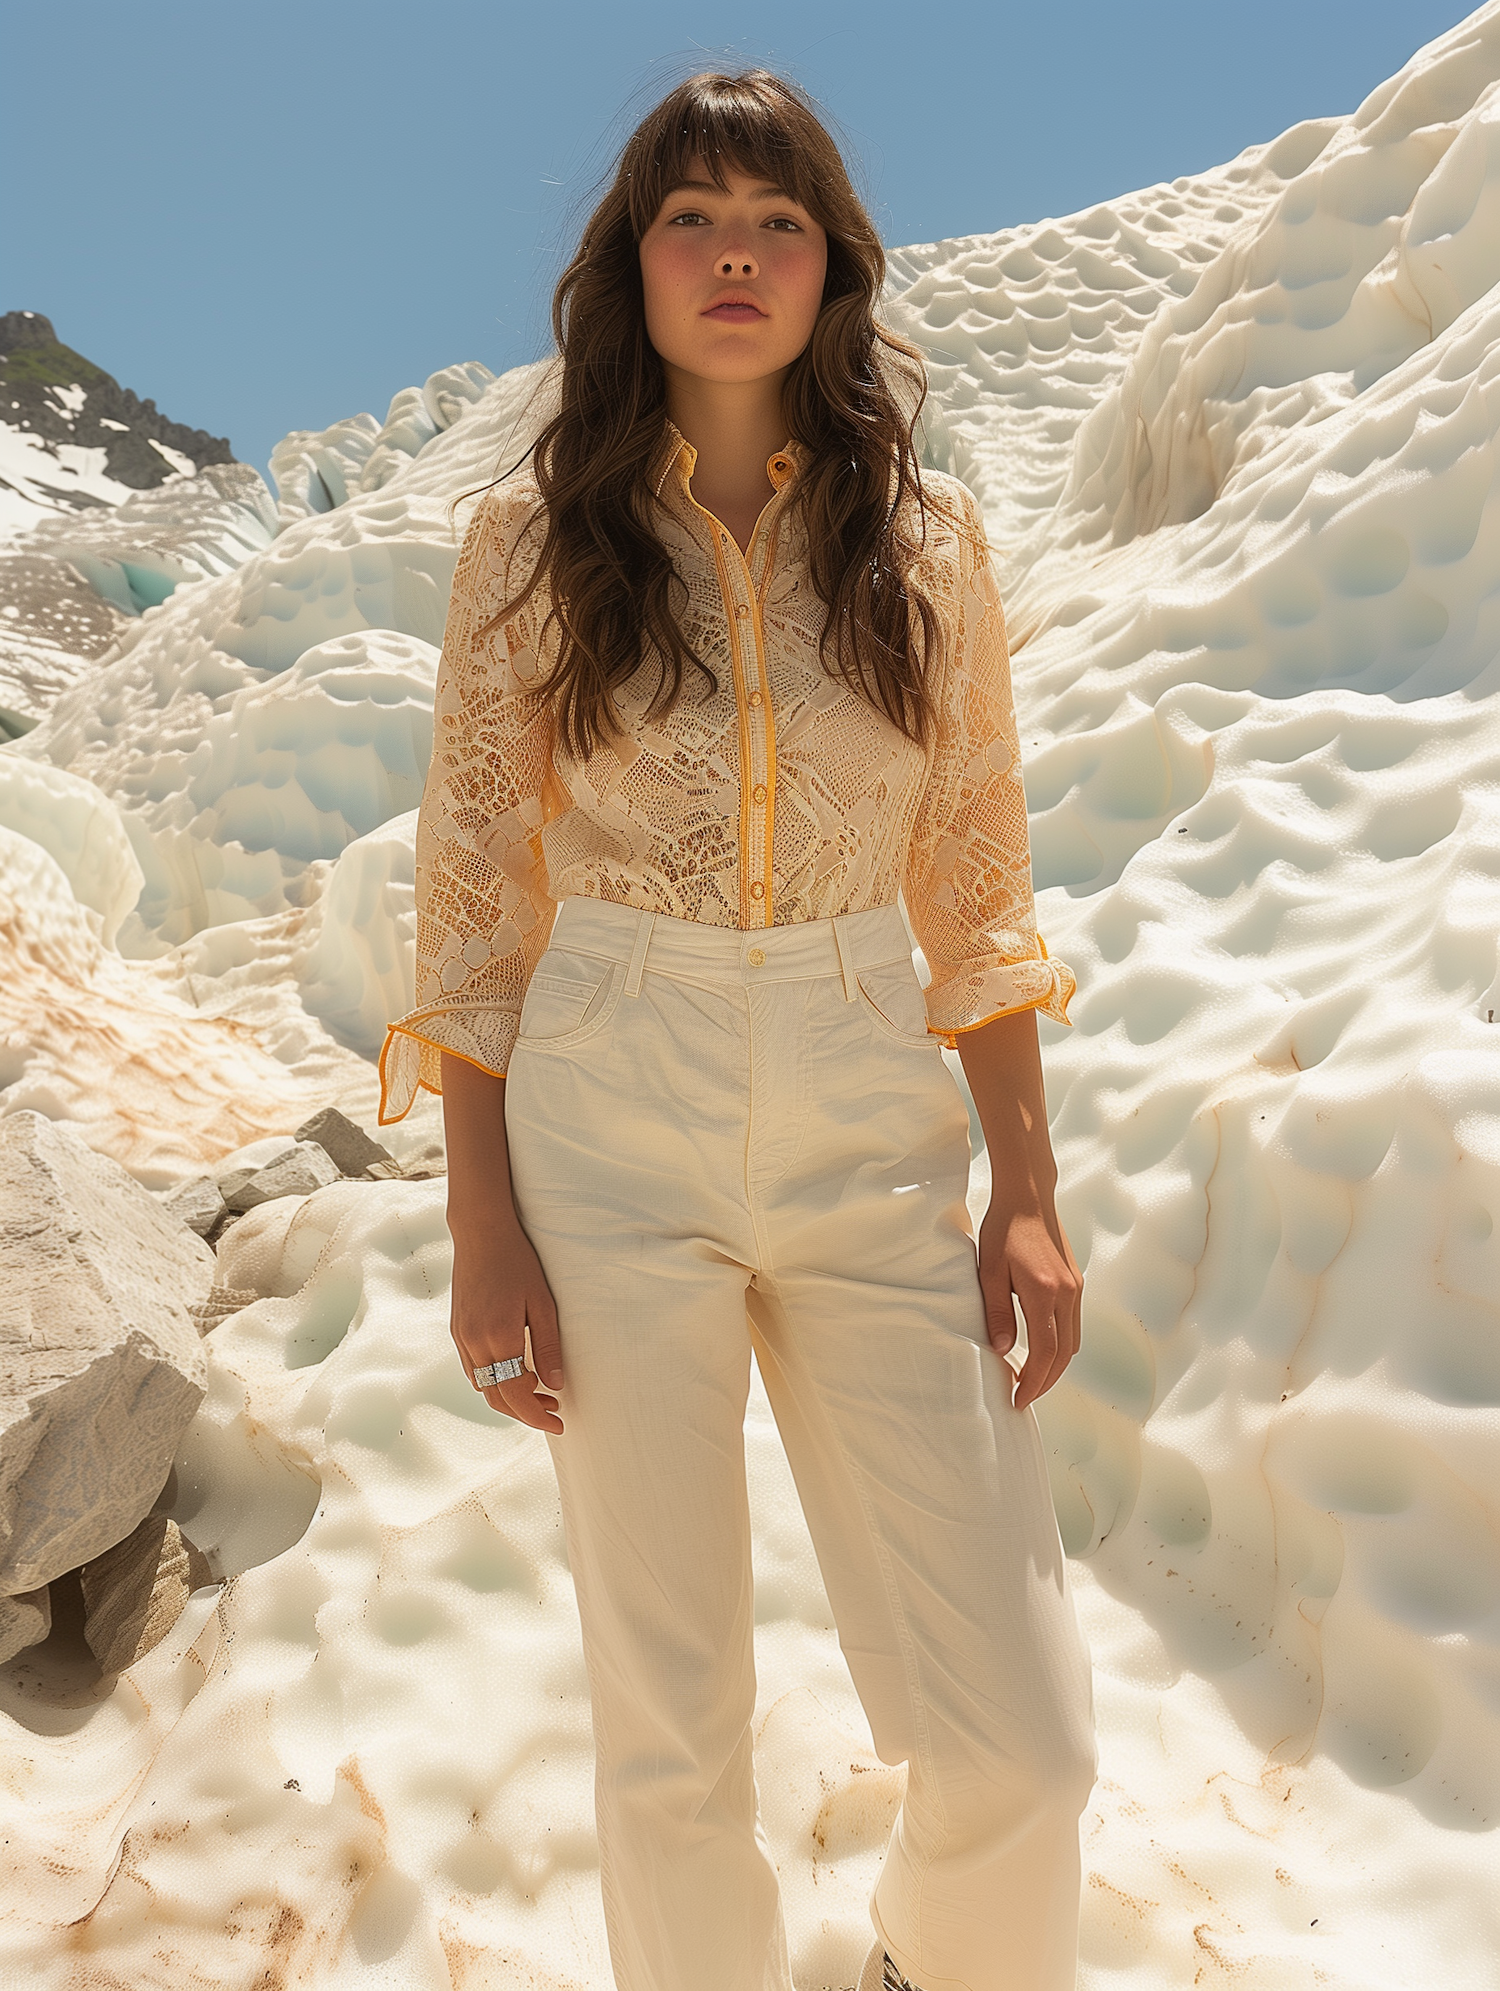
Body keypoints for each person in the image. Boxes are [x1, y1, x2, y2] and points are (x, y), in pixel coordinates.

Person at [378, 68, 1097, 1991]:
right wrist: (481, 1221)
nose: (735, 254)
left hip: (872, 1123)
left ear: (833, 272)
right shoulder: (527, 555)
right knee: (672, 1724)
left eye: (777, 222)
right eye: (692, 214)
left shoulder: (927, 552)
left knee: (1027, 1740)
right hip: (612, 1128)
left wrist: (1024, 1188)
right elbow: (472, 911)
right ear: (632, 263)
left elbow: (977, 883)